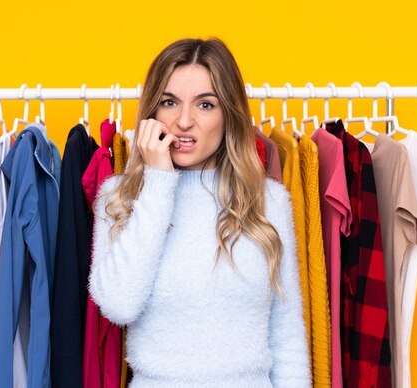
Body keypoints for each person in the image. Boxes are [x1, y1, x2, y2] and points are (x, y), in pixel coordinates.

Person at [88, 37, 310, 387]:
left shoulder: (267, 200)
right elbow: (118, 305)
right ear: (151, 113)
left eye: (205, 105)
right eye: (169, 102)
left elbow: (286, 339)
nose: (184, 121)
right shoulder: (118, 198)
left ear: (229, 115)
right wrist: (158, 182)